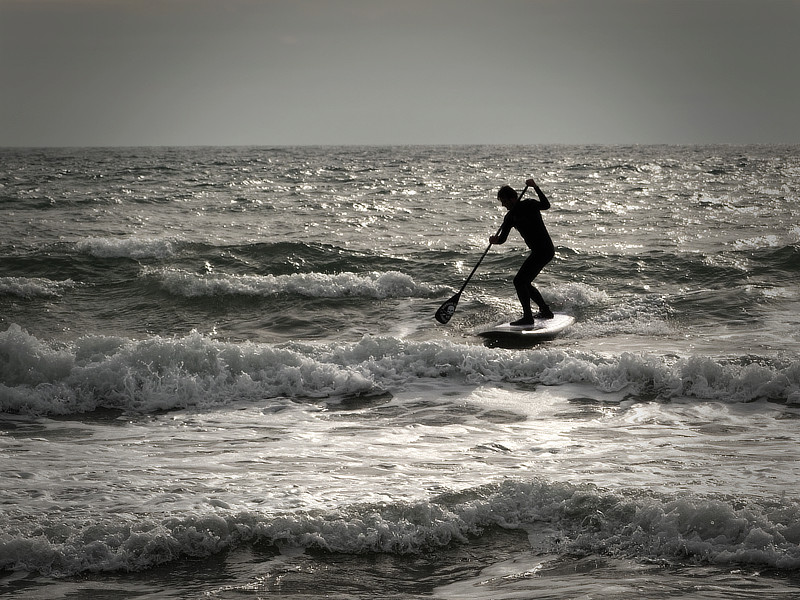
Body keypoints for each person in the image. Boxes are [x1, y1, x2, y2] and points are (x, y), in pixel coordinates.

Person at [489, 177, 555, 326]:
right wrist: (495, 240)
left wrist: (535, 187)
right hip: (537, 251)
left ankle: (528, 317)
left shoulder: (529, 205)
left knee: (520, 281)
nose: (503, 205)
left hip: (545, 250)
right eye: (502, 202)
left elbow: (546, 205)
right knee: (523, 282)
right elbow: (503, 239)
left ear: (513, 198)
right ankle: (545, 310)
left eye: (505, 201)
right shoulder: (510, 217)